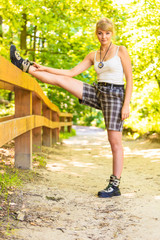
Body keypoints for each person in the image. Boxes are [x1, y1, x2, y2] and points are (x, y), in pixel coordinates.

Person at [10, 18, 133, 198]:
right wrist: (44, 67)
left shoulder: (120, 50)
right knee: (62, 80)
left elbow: (130, 79)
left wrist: (126, 104)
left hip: (115, 97)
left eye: (107, 33)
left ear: (112, 33)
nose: (103, 37)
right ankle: (25, 65)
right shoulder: (93, 55)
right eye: (100, 33)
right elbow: (70, 73)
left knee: (114, 142)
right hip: (97, 91)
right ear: (96, 34)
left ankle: (115, 185)